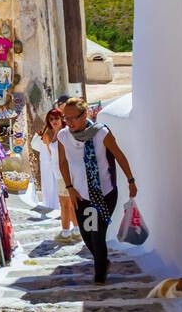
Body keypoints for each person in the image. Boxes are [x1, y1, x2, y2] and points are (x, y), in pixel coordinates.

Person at [57, 97, 137, 282]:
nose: (68, 123)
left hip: (105, 193)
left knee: (98, 234)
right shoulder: (63, 136)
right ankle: (103, 261)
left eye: (73, 118)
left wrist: (130, 180)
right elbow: (62, 163)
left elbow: (118, 155)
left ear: (84, 114)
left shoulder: (101, 133)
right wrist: (69, 188)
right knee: (87, 236)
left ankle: (100, 275)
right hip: (80, 195)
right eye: (65, 118)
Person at [30, 108, 77, 238]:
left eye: (56, 118)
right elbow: (52, 155)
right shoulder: (51, 135)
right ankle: (71, 231)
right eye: (51, 119)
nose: (54, 121)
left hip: (67, 173)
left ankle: (69, 231)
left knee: (68, 204)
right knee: (66, 203)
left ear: (62, 118)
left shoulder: (66, 133)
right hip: (58, 173)